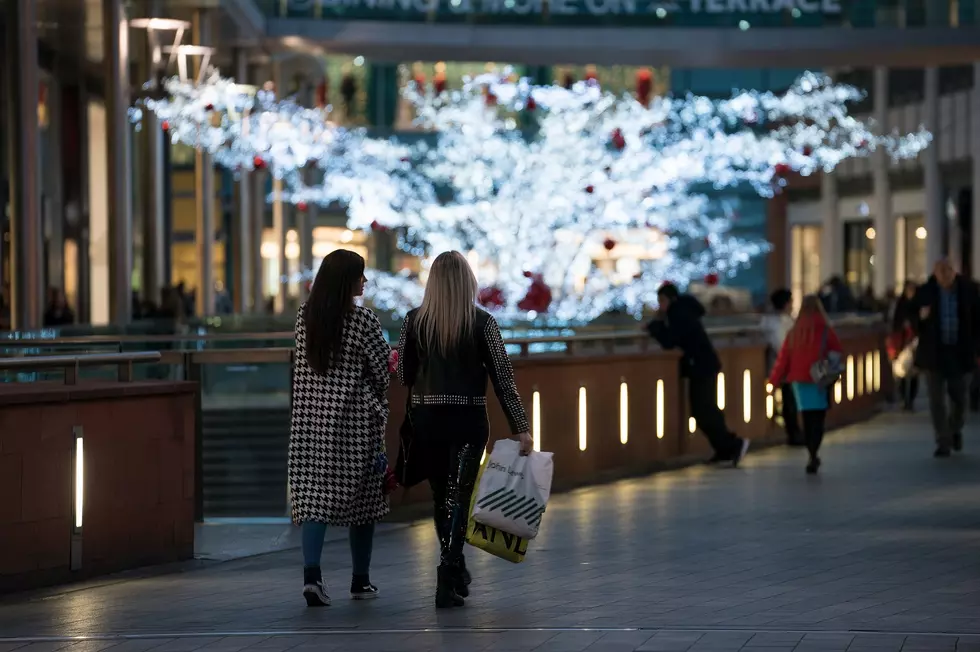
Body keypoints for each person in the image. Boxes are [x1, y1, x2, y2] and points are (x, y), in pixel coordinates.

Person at [396, 251, 532, 609]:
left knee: (441, 496)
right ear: (467, 282)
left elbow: (403, 376)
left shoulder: (413, 322)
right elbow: (503, 378)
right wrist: (521, 426)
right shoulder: (482, 322)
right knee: (462, 496)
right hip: (469, 418)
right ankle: (448, 570)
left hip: (426, 419)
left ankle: (453, 566)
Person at [288, 250, 392, 607]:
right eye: (360, 276)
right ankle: (360, 581)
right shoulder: (363, 320)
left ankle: (312, 576)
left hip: (311, 424)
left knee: (315, 498)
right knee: (363, 501)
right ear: (346, 281)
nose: (365, 281)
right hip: (356, 423)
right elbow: (382, 370)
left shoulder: (305, 318)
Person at [648, 282, 749, 467]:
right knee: (704, 409)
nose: (660, 305)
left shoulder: (679, 314)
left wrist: (655, 326)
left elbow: (670, 340)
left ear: (670, 299)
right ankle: (724, 449)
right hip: (703, 365)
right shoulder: (683, 310)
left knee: (704, 410)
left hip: (700, 366)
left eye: (662, 300)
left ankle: (732, 444)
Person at [768, 295, 842, 474]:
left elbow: (783, 358)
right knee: (819, 417)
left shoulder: (794, 332)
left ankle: (811, 453)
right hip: (819, 378)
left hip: (799, 380)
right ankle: (814, 451)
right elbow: (837, 351)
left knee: (807, 416)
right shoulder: (825, 329)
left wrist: (773, 381)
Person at [914, 259, 980, 458]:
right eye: (940, 272)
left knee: (960, 397)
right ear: (935, 274)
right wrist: (921, 318)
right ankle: (943, 440)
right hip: (935, 353)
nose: (944, 276)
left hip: (960, 352)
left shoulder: (968, 290)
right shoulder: (926, 291)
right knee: (936, 399)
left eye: (948, 271)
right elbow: (911, 317)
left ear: (954, 271)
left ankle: (954, 429)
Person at [761, 288, 802, 446]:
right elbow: (780, 345)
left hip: (785, 366)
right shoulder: (776, 324)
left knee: (789, 399)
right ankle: (793, 432)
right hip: (783, 368)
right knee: (789, 399)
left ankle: (794, 432)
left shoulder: (777, 322)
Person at [889, 280, 919, 411]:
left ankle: (910, 400)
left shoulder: (917, 305)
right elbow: (895, 325)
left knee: (913, 374)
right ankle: (903, 399)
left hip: (914, 343)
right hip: (901, 344)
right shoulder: (900, 306)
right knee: (901, 373)